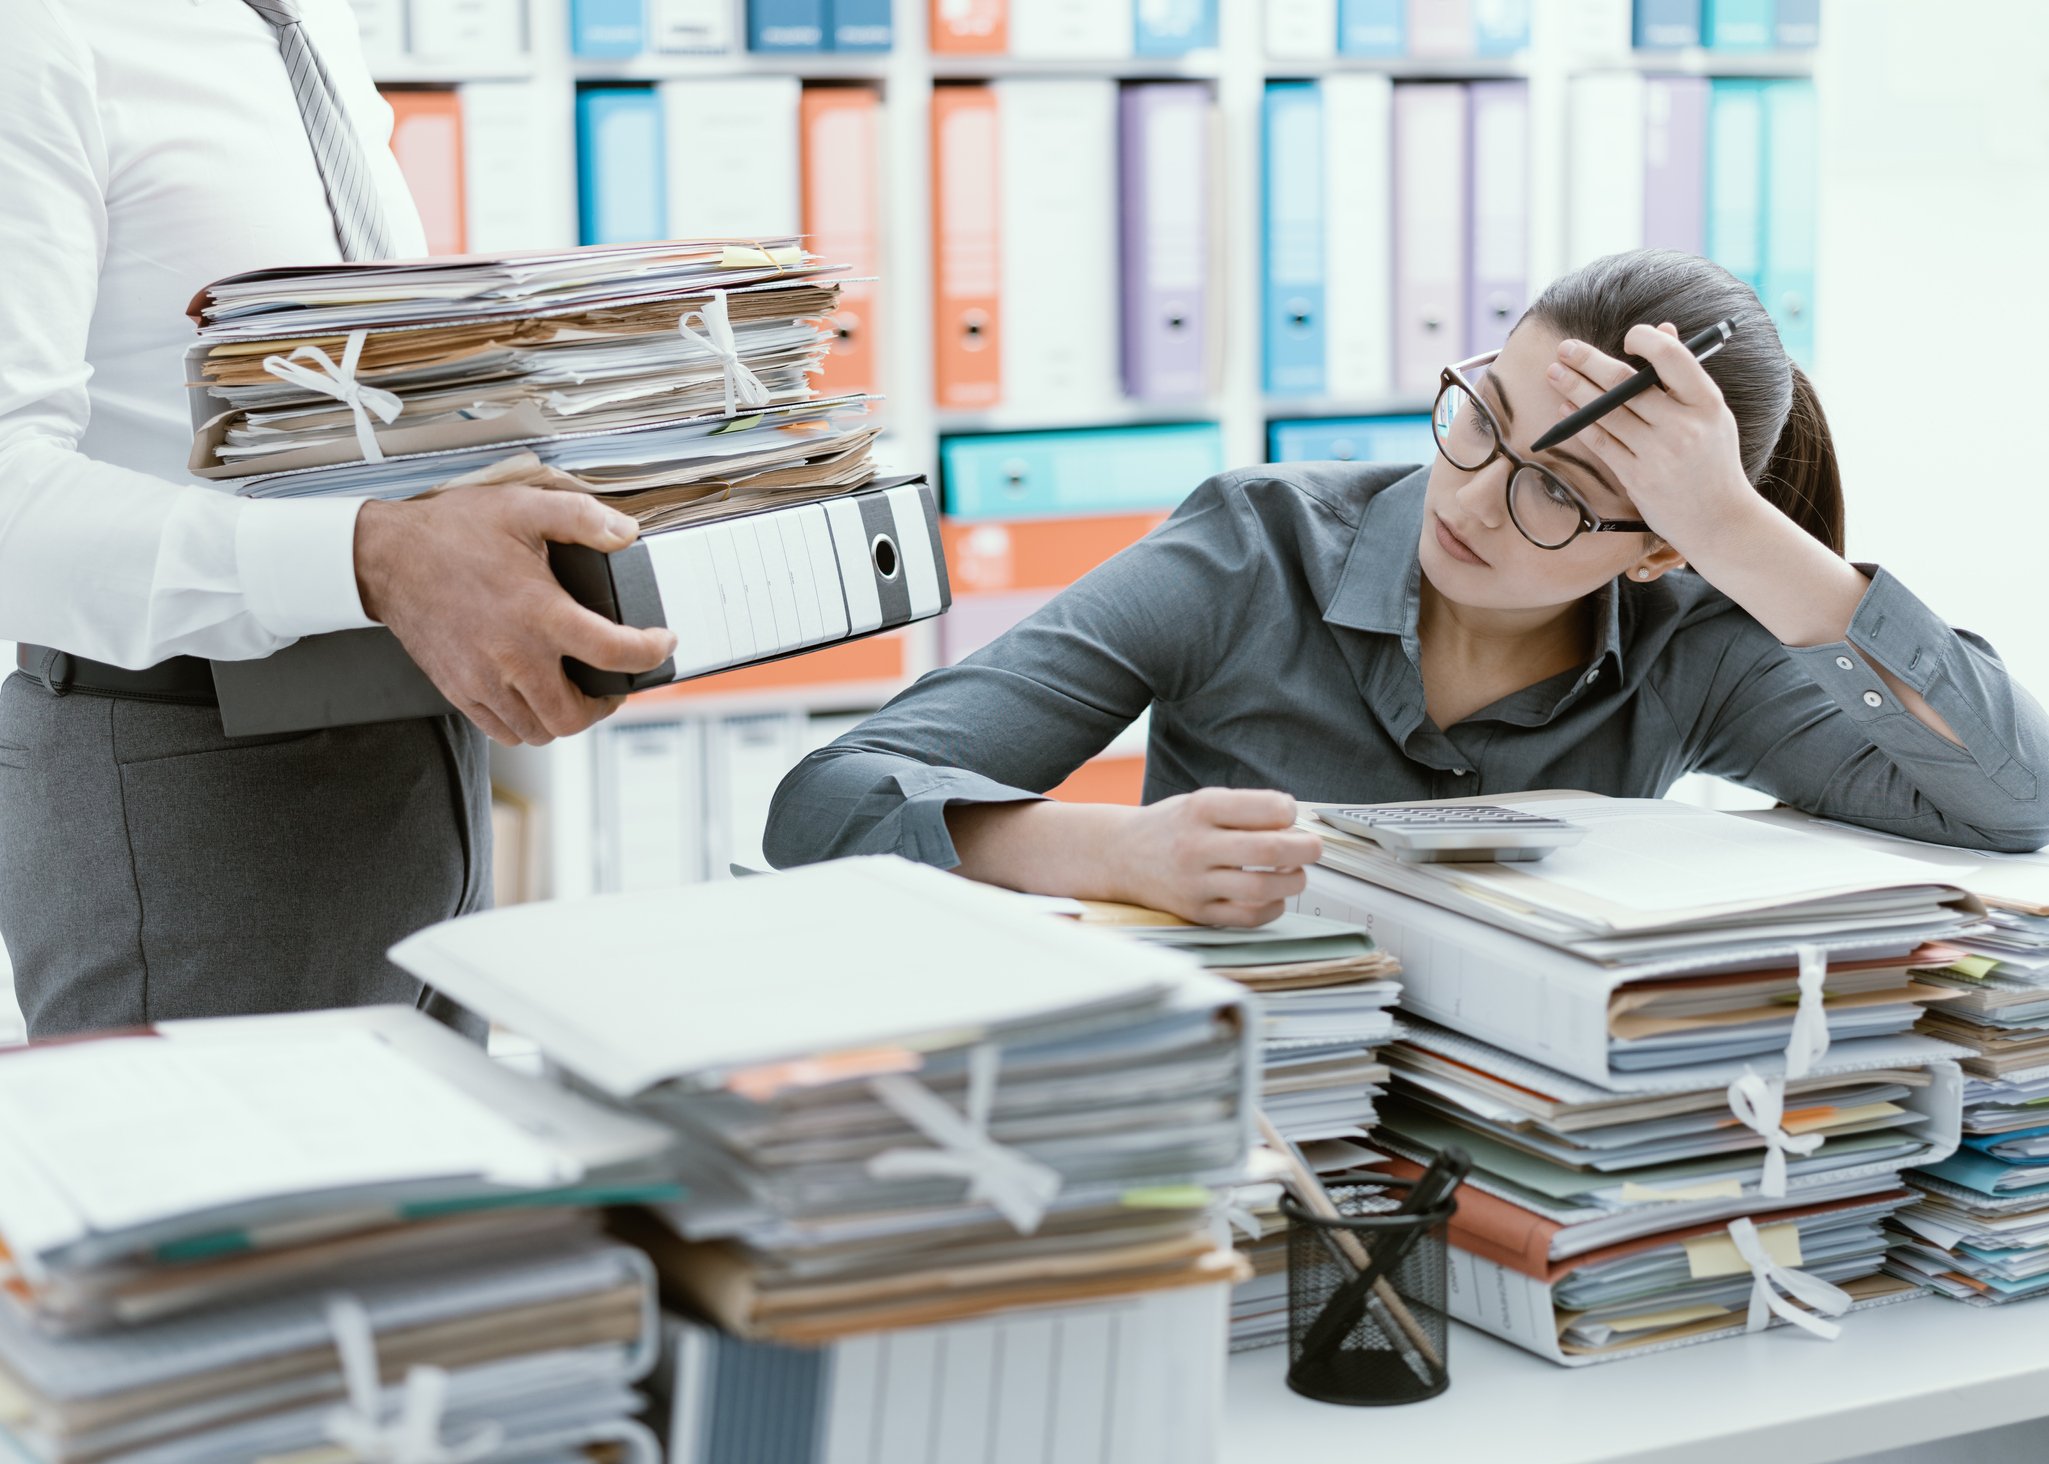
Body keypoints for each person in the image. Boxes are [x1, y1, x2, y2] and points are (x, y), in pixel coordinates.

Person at [764, 249, 2049, 923]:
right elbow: (823, 805)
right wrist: (1116, 852)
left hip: (1554, 1146)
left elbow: (2012, 806)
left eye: (1560, 489)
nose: (1476, 494)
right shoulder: (1250, 549)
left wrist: (1736, 531)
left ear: (1659, 550)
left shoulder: (1693, 629)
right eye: (1482, 414)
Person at [0, 0, 675, 1037]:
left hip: (412, 759)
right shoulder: (38, 33)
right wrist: (374, 556)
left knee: (440, 1191)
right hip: (188, 774)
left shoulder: (306, 22)